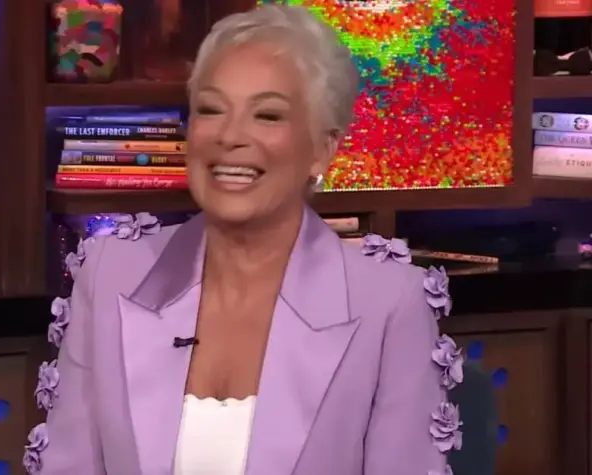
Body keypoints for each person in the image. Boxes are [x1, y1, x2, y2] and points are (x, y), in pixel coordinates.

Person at [25, 4, 461, 475]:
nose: (230, 135)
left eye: (267, 115)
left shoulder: (388, 305)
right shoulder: (109, 275)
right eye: (211, 110)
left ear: (323, 149)